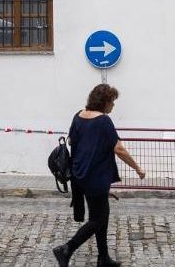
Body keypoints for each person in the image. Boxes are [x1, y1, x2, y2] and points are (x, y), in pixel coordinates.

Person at [53, 83, 145, 267]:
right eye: (112, 102)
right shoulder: (103, 121)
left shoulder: (78, 116)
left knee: (102, 216)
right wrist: (137, 168)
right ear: (105, 102)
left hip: (80, 175)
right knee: (98, 219)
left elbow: (72, 141)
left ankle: (103, 259)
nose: (113, 106)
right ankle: (66, 249)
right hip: (95, 177)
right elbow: (118, 148)